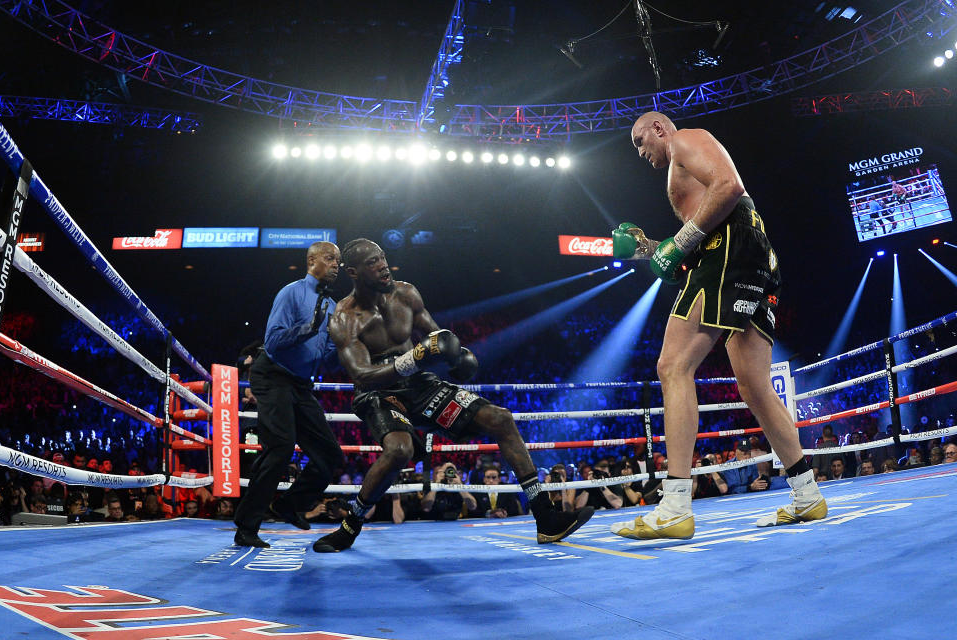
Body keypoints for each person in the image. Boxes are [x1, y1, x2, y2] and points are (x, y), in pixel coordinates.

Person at [610, 111, 826, 540]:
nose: (640, 152)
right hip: (751, 256)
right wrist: (650, 249)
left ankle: (674, 507)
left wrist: (681, 242)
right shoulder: (681, 170)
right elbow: (698, 232)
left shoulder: (686, 140)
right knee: (754, 386)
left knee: (672, 367)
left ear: (658, 128)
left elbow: (730, 187)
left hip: (729, 250)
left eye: (639, 140)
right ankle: (807, 495)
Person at [311, 238, 594, 552]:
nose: (382, 266)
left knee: (500, 419)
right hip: (377, 393)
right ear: (352, 272)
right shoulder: (344, 318)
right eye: (372, 263)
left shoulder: (406, 293)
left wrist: (458, 358)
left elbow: (437, 336)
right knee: (400, 450)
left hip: (420, 386)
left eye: (382, 258)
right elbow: (361, 374)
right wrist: (412, 359)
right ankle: (350, 527)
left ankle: (546, 518)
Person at [233, 241, 344, 548]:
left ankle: (288, 504)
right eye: (331, 258)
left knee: (330, 454)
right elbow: (273, 340)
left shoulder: (334, 307)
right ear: (312, 261)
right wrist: (309, 328)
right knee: (280, 447)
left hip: (301, 383)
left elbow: (329, 359)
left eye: (339, 261)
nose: (337, 264)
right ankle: (246, 526)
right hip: (273, 374)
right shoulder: (292, 292)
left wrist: (347, 344)